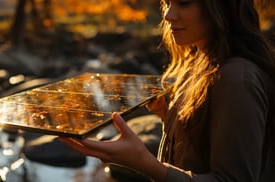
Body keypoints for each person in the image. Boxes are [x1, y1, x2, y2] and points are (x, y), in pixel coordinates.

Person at [59, 0, 275, 181]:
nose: (169, 15)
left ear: (220, 6)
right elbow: (204, 148)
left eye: (184, 3)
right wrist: (170, 115)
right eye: (167, 2)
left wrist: (143, 162)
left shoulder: (237, 78)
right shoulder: (201, 60)